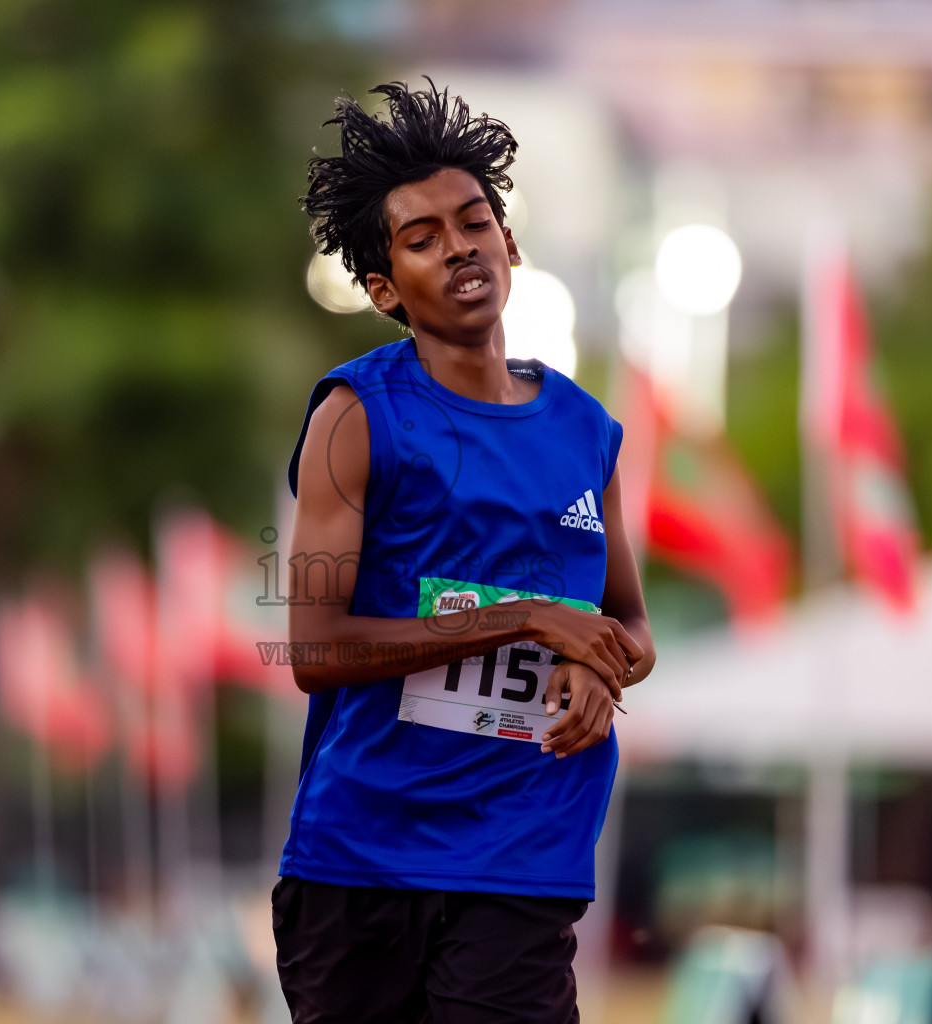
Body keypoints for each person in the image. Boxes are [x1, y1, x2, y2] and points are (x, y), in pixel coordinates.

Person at [275, 80, 657, 1023]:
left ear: (509, 243)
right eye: (422, 238)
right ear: (382, 290)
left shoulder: (585, 431)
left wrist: (600, 666)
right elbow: (315, 650)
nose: (459, 247)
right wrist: (526, 620)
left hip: (522, 852)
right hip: (362, 861)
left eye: (475, 221)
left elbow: (630, 626)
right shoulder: (355, 418)